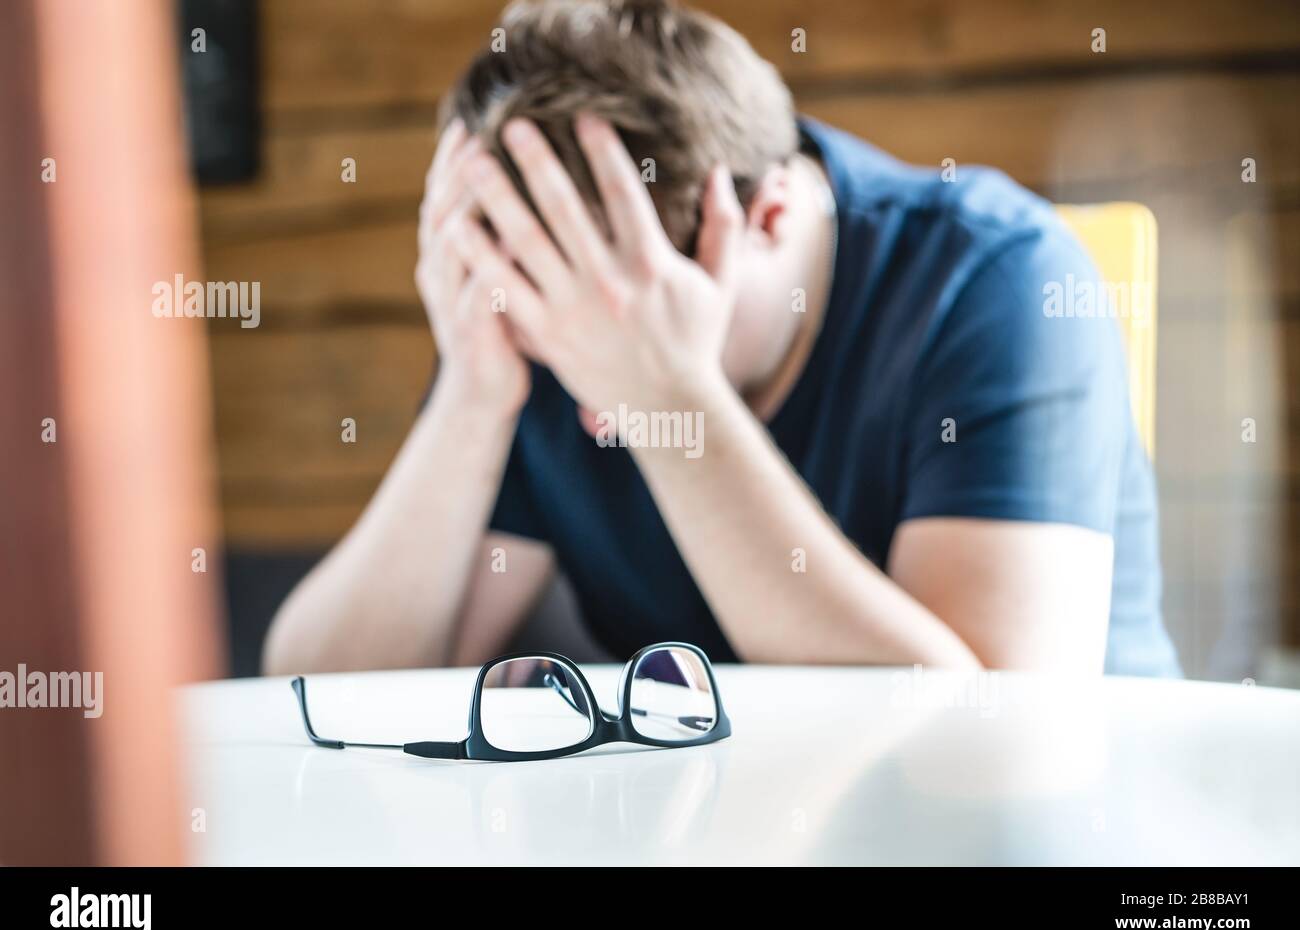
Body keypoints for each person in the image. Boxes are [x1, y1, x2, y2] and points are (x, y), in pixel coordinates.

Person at [263, 0, 1180, 678]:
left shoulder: (1003, 276)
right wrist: (472, 394)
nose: (586, 396)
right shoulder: (548, 312)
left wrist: (667, 400)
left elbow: (985, 739)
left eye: (619, 318)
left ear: (769, 213)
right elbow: (324, 689)